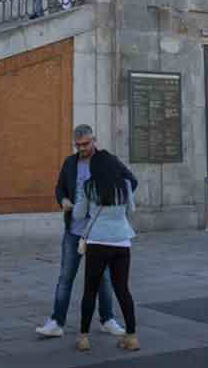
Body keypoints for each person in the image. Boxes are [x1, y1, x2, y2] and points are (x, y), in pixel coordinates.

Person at [37, 124, 134, 341]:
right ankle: (56, 322)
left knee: (105, 280)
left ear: (94, 140)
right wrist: (62, 200)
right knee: (65, 276)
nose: (82, 148)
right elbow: (59, 187)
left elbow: (130, 181)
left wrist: (115, 204)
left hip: (101, 234)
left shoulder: (108, 161)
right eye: (78, 145)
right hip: (74, 231)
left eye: (86, 144)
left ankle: (107, 319)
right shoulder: (70, 163)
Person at [74, 142, 141, 353]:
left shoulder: (89, 186)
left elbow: (78, 214)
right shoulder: (125, 185)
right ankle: (131, 337)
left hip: (97, 243)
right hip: (121, 242)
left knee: (90, 290)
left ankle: (84, 338)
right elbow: (132, 209)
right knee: (123, 290)